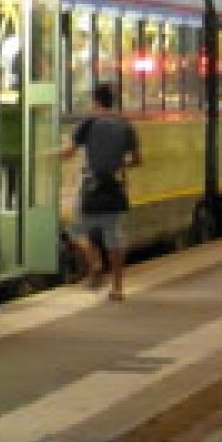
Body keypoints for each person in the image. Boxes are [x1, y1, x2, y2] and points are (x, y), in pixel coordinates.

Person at [64, 83, 142, 302]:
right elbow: (137, 160)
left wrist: (47, 154)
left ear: (95, 101)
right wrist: (119, 165)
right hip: (114, 187)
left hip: (92, 186)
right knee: (113, 237)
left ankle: (96, 262)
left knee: (75, 231)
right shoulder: (125, 125)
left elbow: (69, 153)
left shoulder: (88, 123)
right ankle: (118, 288)